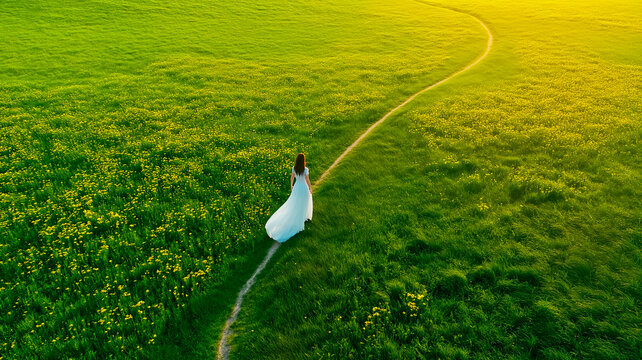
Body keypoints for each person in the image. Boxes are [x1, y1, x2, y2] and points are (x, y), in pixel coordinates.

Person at [265, 153, 313, 242]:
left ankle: (299, 218)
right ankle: (301, 219)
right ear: (304, 161)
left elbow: (292, 178)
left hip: (297, 187)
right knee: (303, 203)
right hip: (303, 188)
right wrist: (310, 187)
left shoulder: (294, 168)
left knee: (295, 203)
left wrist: (291, 185)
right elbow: (307, 180)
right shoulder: (305, 169)